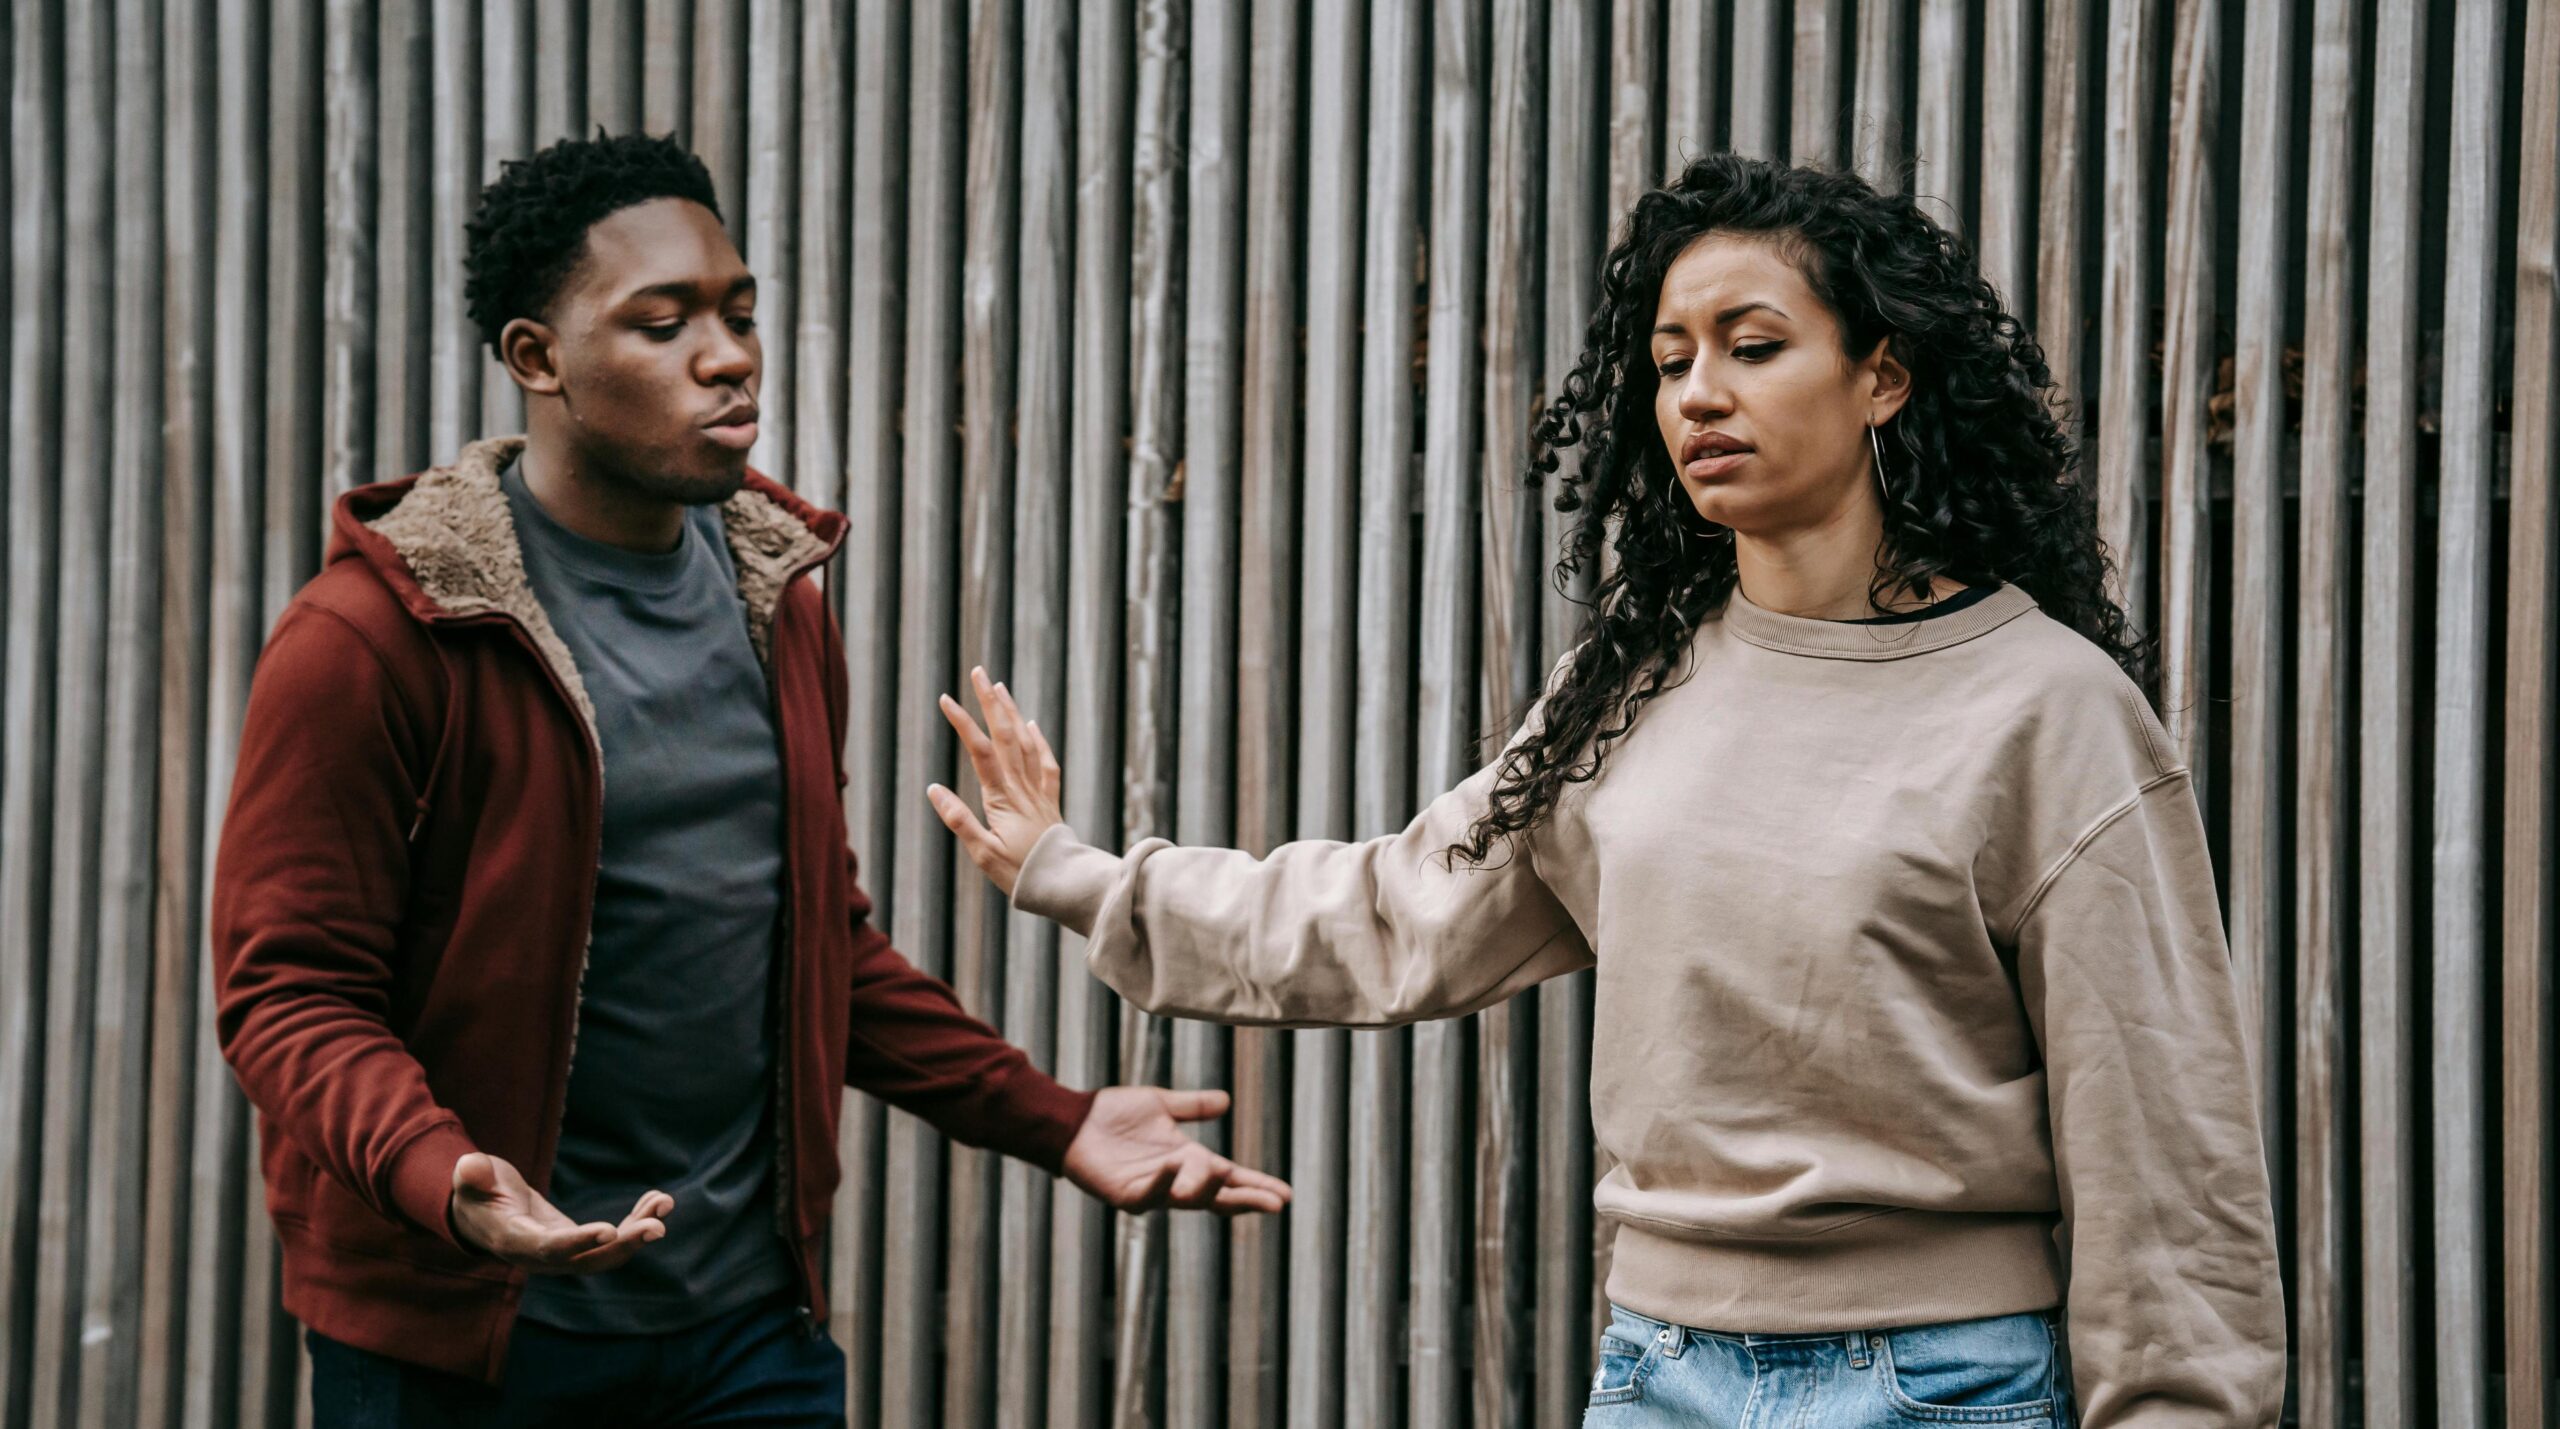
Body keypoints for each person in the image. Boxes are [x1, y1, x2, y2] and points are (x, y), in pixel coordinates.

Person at [931, 153, 2284, 1427]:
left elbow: (2166, 1145)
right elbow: (1399, 910)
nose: (1701, 391)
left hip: (1945, 1384)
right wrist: (1087, 875)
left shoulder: (2048, 709)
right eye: (1671, 360)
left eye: (1755, 347)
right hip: (1659, 1374)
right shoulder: (1633, 691)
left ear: (1882, 376)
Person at [210, 132, 1286, 1429]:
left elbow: (816, 945)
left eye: (738, 311)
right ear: (535, 359)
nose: (728, 355)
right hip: (466, 1345)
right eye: (662, 324)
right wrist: (446, 1175)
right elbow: (287, 991)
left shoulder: (771, 599)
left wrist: (1054, 1120)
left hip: (741, 1334)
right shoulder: (378, 636)